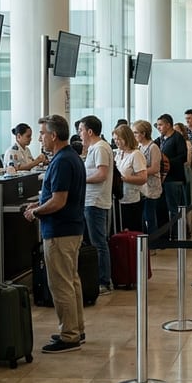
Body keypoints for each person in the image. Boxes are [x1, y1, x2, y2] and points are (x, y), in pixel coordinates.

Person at [24, 114, 87, 353]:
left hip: (60, 231)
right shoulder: (70, 157)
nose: (40, 138)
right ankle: (76, 328)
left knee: (60, 284)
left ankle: (69, 335)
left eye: (42, 134)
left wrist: (36, 212)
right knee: (71, 281)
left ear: (53, 135)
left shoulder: (62, 161)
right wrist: (38, 205)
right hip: (71, 228)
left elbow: (59, 201)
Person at [78, 115, 114, 295]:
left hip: (96, 202)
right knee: (92, 242)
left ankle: (104, 281)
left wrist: (80, 180)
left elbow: (102, 175)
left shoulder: (100, 148)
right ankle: (95, 278)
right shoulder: (94, 148)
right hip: (89, 201)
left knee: (99, 242)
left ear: (90, 131)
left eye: (81, 131)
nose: (80, 135)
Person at [113, 124, 147, 232]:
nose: (116, 141)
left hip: (131, 200)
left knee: (133, 229)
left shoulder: (136, 154)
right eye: (115, 139)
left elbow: (142, 178)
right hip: (119, 198)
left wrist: (123, 178)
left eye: (119, 139)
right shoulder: (118, 153)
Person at [157, 114, 187, 233]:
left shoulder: (177, 138)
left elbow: (183, 157)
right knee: (164, 208)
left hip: (174, 179)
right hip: (164, 178)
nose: (158, 127)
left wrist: (166, 161)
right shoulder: (161, 139)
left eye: (160, 125)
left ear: (168, 125)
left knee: (174, 209)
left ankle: (178, 234)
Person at [134, 120, 164, 236]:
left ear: (143, 133)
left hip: (151, 186)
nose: (134, 135)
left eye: (136, 133)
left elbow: (155, 168)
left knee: (149, 216)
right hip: (142, 186)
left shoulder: (153, 147)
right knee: (143, 216)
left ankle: (153, 241)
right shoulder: (139, 147)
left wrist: (140, 173)